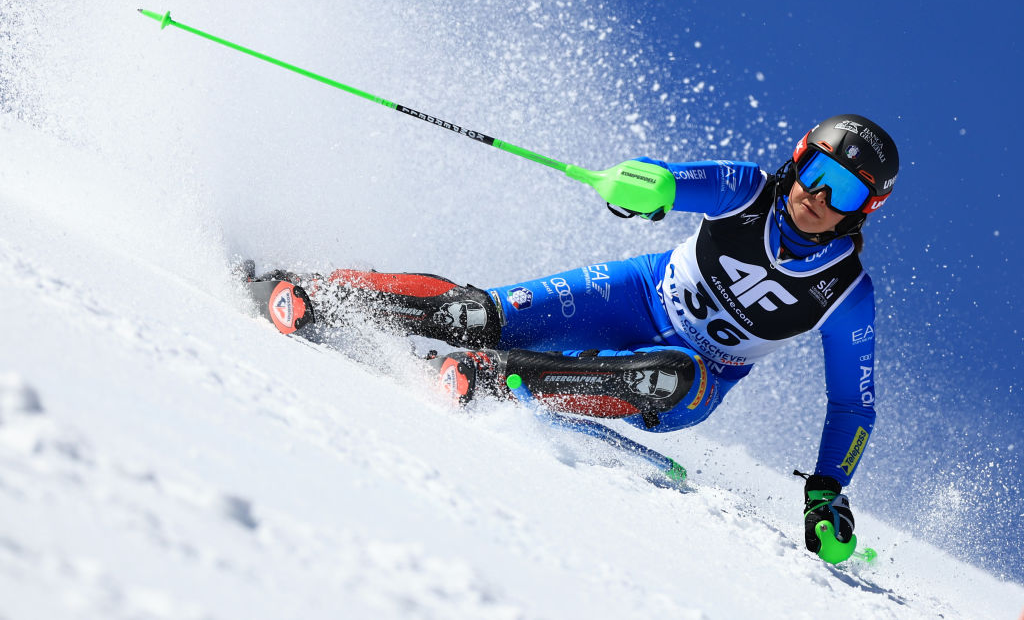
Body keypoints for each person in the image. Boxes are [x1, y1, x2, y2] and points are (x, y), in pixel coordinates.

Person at [253, 113, 898, 559]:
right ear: (797, 157)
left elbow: (852, 404)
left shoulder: (846, 296)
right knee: (480, 315)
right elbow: (670, 180)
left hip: (698, 373)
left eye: (840, 188)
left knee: (666, 378)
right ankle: (313, 292)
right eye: (814, 168)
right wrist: (640, 188)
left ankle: (496, 381)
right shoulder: (746, 190)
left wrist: (826, 492)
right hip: (634, 293)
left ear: (862, 210)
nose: (815, 193)